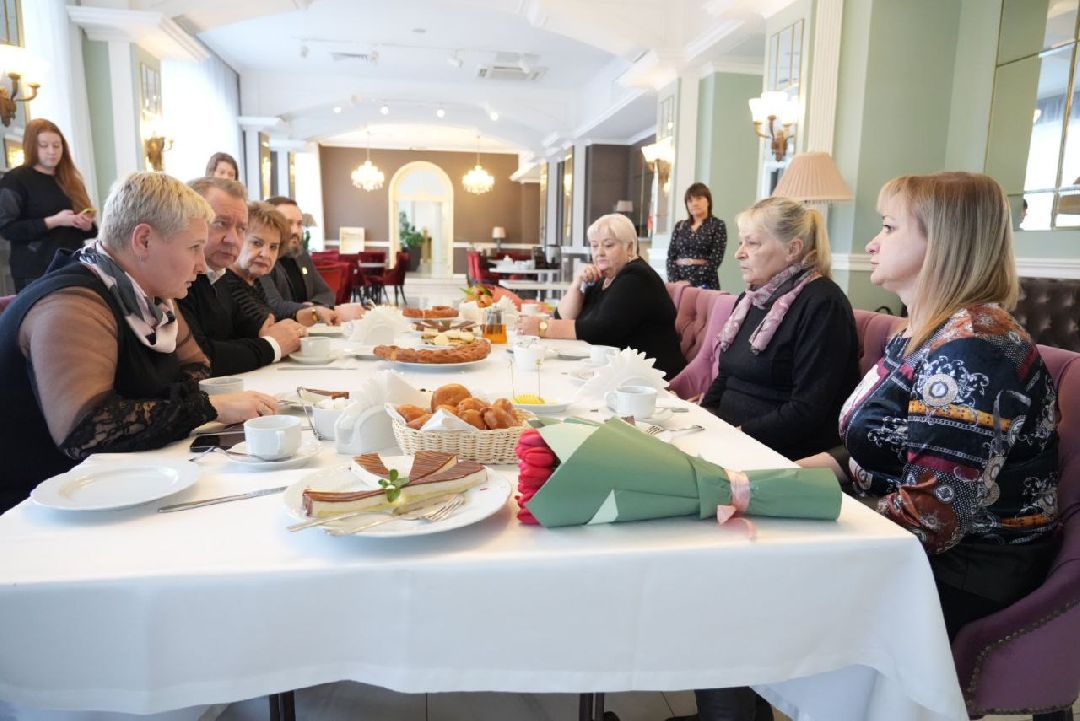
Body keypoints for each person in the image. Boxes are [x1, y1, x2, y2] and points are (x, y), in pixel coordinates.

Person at [798, 172, 1060, 642]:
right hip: (919, 540)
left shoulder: (972, 348)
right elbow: (880, 448)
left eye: (888, 227)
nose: (872, 244)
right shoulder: (925, 332)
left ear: (941, 242)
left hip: (970, 567)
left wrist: (806, 509)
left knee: (755, 575)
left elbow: (932, 520)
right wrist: (792, 478)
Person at [0, 171, 279, 512]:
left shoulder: (149, 297)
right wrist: (209, 408)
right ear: (144, 240)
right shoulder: (71, 304)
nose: (202, 264)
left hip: (117, 485)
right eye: (193, 247)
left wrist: (163, 409)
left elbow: (196, 363)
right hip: (38, 510)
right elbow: (87, 430)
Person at [701, 197, 859, 460]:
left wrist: (734, 438)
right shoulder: (750, 299)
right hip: (730, 438)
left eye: (752, 243)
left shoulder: (823, 303)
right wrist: (704, 419)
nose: (739, 253)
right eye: (741, 242)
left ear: (792, 249)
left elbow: (807, 410)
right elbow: (727, 375)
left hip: (780, 451)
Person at [516, 213, 685, 379]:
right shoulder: (606, 278)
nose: (599, 253)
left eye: (608, 245)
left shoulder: (637, 277)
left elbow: (598, 330)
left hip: (650, 380)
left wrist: (541, 328)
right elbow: (563, 316)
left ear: (629, 247)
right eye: (595, 246)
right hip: (616, 372)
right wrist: (577, 283)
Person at [178, 177, 306, 376]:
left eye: (241, 229)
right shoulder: (177, 280)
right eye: (221, 223)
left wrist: (275, 332)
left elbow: (249, 327)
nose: (232, 239)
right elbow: (202, 357)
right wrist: (272, 344)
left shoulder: (217, 275)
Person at [0, 118, 96, 291]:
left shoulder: (71, 180)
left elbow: (92, 230)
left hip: (73, 264)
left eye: (57, 145)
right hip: (34, 270)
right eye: (43, 146)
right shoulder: (16, 179)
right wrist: (55, 221)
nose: (51, 151)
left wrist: (85, 224)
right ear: (31, 146)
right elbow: (8, 229)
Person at [259, 195, 339, 325]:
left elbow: (326, 293)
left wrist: (313, 305)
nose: (296, 230)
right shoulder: (262, 259)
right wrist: (313, 310)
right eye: (288, 223)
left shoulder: (301, 256)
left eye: (299, 224)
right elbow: (274, 306)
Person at [221, 201, 294, 324]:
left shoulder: (256, 281)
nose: (265, 254)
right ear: (237, 239)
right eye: (257, 243)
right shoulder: (225, 282)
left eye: (273, 247)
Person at [666, 182, 727, 289]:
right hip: (677, 285)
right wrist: (675, 281)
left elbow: (715, 260)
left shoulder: (717, 225)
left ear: (708, 201)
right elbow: (671, 257)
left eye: (698, 198)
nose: (694, 203)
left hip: (705, 284)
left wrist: (690, 282)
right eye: (690, 200)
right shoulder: (680, 226)